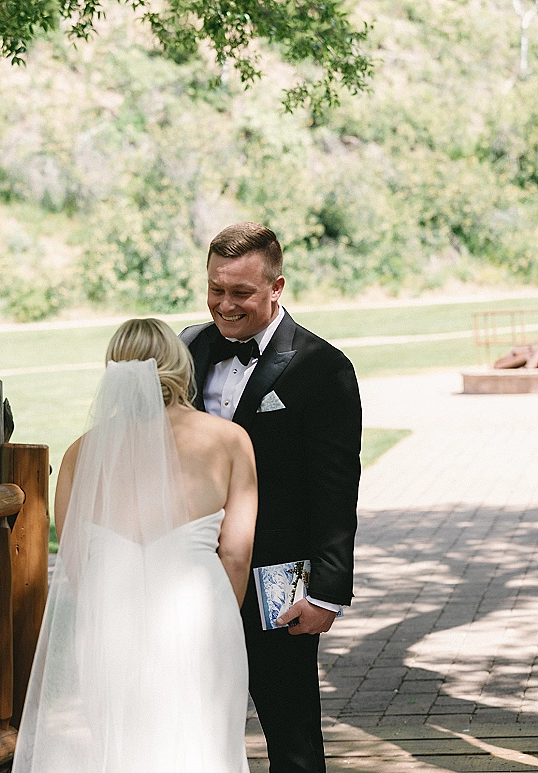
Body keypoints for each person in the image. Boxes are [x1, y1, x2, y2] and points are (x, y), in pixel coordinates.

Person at [11, 318, 258, 773]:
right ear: (178, 365)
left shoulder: (81, 453)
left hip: (110, 617)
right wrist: (225, 620)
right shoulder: (228, 440)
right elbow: (237, 555)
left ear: (113, 371)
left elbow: (75, 559)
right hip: (201, 614)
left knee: (120, 745)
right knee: (206, 741)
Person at [180, 222, 362, 773]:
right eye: (216, 289)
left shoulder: (323, 368)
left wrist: (327, 592)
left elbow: (335, 487)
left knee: (291, 731)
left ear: (277, 287)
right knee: (193, 721)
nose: (225, 305)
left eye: (241, 292)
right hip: (188, 573)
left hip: (278, 579)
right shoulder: (186, 350)